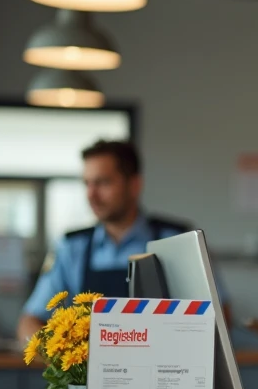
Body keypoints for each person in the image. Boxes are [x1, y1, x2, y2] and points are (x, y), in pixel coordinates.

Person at [19, 140, 193, 342]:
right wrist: (64, 356)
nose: (91, 195)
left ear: (134, 185)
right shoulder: (71, 248)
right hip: (89, 371)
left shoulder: (177, 241)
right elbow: (29, 321)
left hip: (163, 370)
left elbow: (217, 314)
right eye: (87, 184)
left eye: (103, 183)